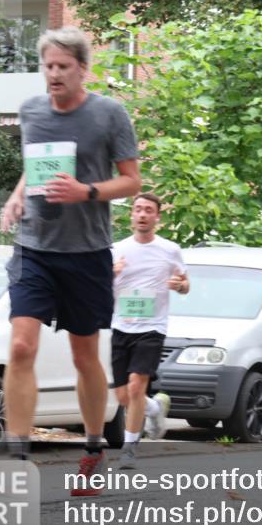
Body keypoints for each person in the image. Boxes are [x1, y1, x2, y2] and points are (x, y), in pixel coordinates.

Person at [0, 26, 141, 495]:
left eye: (63, 67)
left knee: (84, 355)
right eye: (48, 66)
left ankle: (93, 446)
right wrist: (16, 197)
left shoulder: (108, 114)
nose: (54, 74)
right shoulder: (31, 110)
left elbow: (131, 181)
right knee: (21, 346)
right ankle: (16, 457)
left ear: (83, 69)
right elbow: (33, 163)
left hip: (86, 252)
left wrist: (87, 191)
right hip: (33, 247)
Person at [110, 193, 188, 469]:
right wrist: (113, 272)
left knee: (135, 386)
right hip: (121, 326)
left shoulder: (170, 249)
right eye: (138, 209)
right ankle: (155, 408)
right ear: (131, 215)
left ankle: (129, 449)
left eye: (148, 210)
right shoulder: (117, 249)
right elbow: (100, 285)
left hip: (152, 327)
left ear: (157, 217)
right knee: (123, 396)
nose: (142, 214)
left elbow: (185, 284)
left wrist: (179, 285)